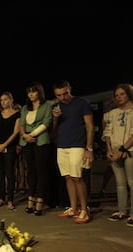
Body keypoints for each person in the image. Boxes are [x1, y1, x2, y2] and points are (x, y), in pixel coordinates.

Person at [52, 80, 94, 224]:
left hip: (77, 144)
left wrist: (89, 148)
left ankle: (84, 210)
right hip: (62, 145)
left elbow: (89, 126)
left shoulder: (82, 103)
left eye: (65, 93)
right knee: (68, 177)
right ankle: (73, 207)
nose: (63, 97)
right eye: (59, 95)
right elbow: (54, 129)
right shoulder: (58, 106)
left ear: (70, 89)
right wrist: (55, 118)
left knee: (77, 178)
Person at [19, 83, 52, 216]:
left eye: (33, 92)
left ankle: (40, 200)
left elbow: (47, 122)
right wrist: (25, 136)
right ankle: (30, 199)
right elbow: (21, 124)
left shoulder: (47, 105)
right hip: (27, 141)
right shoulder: (25, 108)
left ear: (39, 92)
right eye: (29, 92)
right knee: (30, 171)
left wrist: (32, 135)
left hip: (40, 140)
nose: (31, 94)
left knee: (41, 171)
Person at [103, 83, 133, 226]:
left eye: (122, 94)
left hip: (129, 150)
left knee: (132, 182)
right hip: (114, 151)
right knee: (120, 183)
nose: (119, 97)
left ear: (129, 94)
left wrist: (122, 150)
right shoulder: (113, 113)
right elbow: (107, 132)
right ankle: (122, 211)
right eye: (116, 95)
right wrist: (109, 149)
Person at [0, 91, 21, 209]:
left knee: (10, 172)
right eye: (1, 100)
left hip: (10, 146)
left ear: (11, 100)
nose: (3, 102)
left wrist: (5, 144)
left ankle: (10, 199)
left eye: (5, 99)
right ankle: (1, 197)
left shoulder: (17, 115)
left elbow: (16, 132)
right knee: (0, 173)